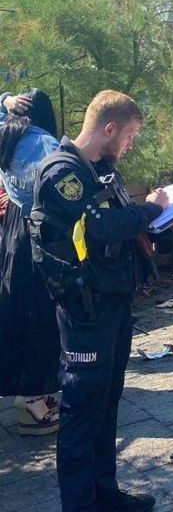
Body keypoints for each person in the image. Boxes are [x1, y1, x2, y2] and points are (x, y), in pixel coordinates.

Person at [31, 90, 173, 512]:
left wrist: (172, 217)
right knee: (81, 410)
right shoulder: (62, 172)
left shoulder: (103, 171)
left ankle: (105, 494)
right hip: (83, 310)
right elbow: (101, 228)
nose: (130, 146)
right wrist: (150, 208)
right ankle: (80, 504)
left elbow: (130, 231)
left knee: (107, 405)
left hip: (112, 303)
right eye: (128, 136)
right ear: (108, 129)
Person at [0, 89, 61, 435]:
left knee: (16, 310)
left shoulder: (7, 136)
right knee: (41, 315)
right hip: (37, 232)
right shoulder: (45, 146)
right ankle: (35, 405)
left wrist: (5, 99)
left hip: (12, 232)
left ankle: (27, 396)